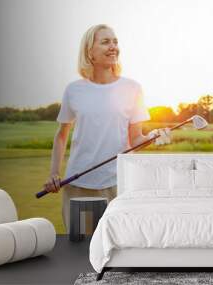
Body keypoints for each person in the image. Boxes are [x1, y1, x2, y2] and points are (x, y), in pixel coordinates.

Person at [43, 24, 170, 234]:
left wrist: (153, 137)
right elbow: (61, 135)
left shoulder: (132, 88)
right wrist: (54, 173)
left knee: (118, 249)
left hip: (117, 186)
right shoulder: (74, 90)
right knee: (79, 252)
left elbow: (136, 140)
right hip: (78, 185)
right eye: (105, 42)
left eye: (115, 42)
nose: (113, 47)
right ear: (89, 52)